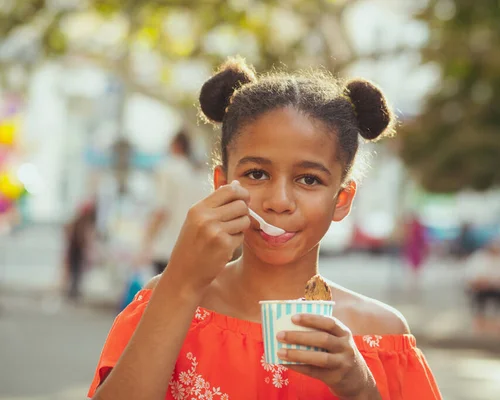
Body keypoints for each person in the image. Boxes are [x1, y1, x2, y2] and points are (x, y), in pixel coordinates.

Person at [88, 58, 441, 400]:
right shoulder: (167, 300)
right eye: (257, 174)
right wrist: (180, 281)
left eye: (309, 179)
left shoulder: (383, 335)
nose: (279, 200)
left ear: (343, 199)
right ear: (221, 184)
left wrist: (361, 388)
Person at [141, 129, 211, 275]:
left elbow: (161, 210)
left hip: (166, 250)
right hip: (195, 252)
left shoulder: (168, 168)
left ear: (175, 146)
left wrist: (146, 243)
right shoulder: (202, 175)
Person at [464, 239, 500, 335]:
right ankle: (480, 323)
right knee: (479, 297)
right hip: (480, 289)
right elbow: (470, 277)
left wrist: (497, 282)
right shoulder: (478, 259)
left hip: (499, 289)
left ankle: (499, 323)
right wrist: (481, 282)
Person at [64, 201, 97, 301]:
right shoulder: (80, 223)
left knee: (76, 272)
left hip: (75, 250)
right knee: (75, 272)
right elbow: (83, 238)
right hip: (76, 251)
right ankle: (73, 292)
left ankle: (73, 291)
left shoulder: (78, 222)